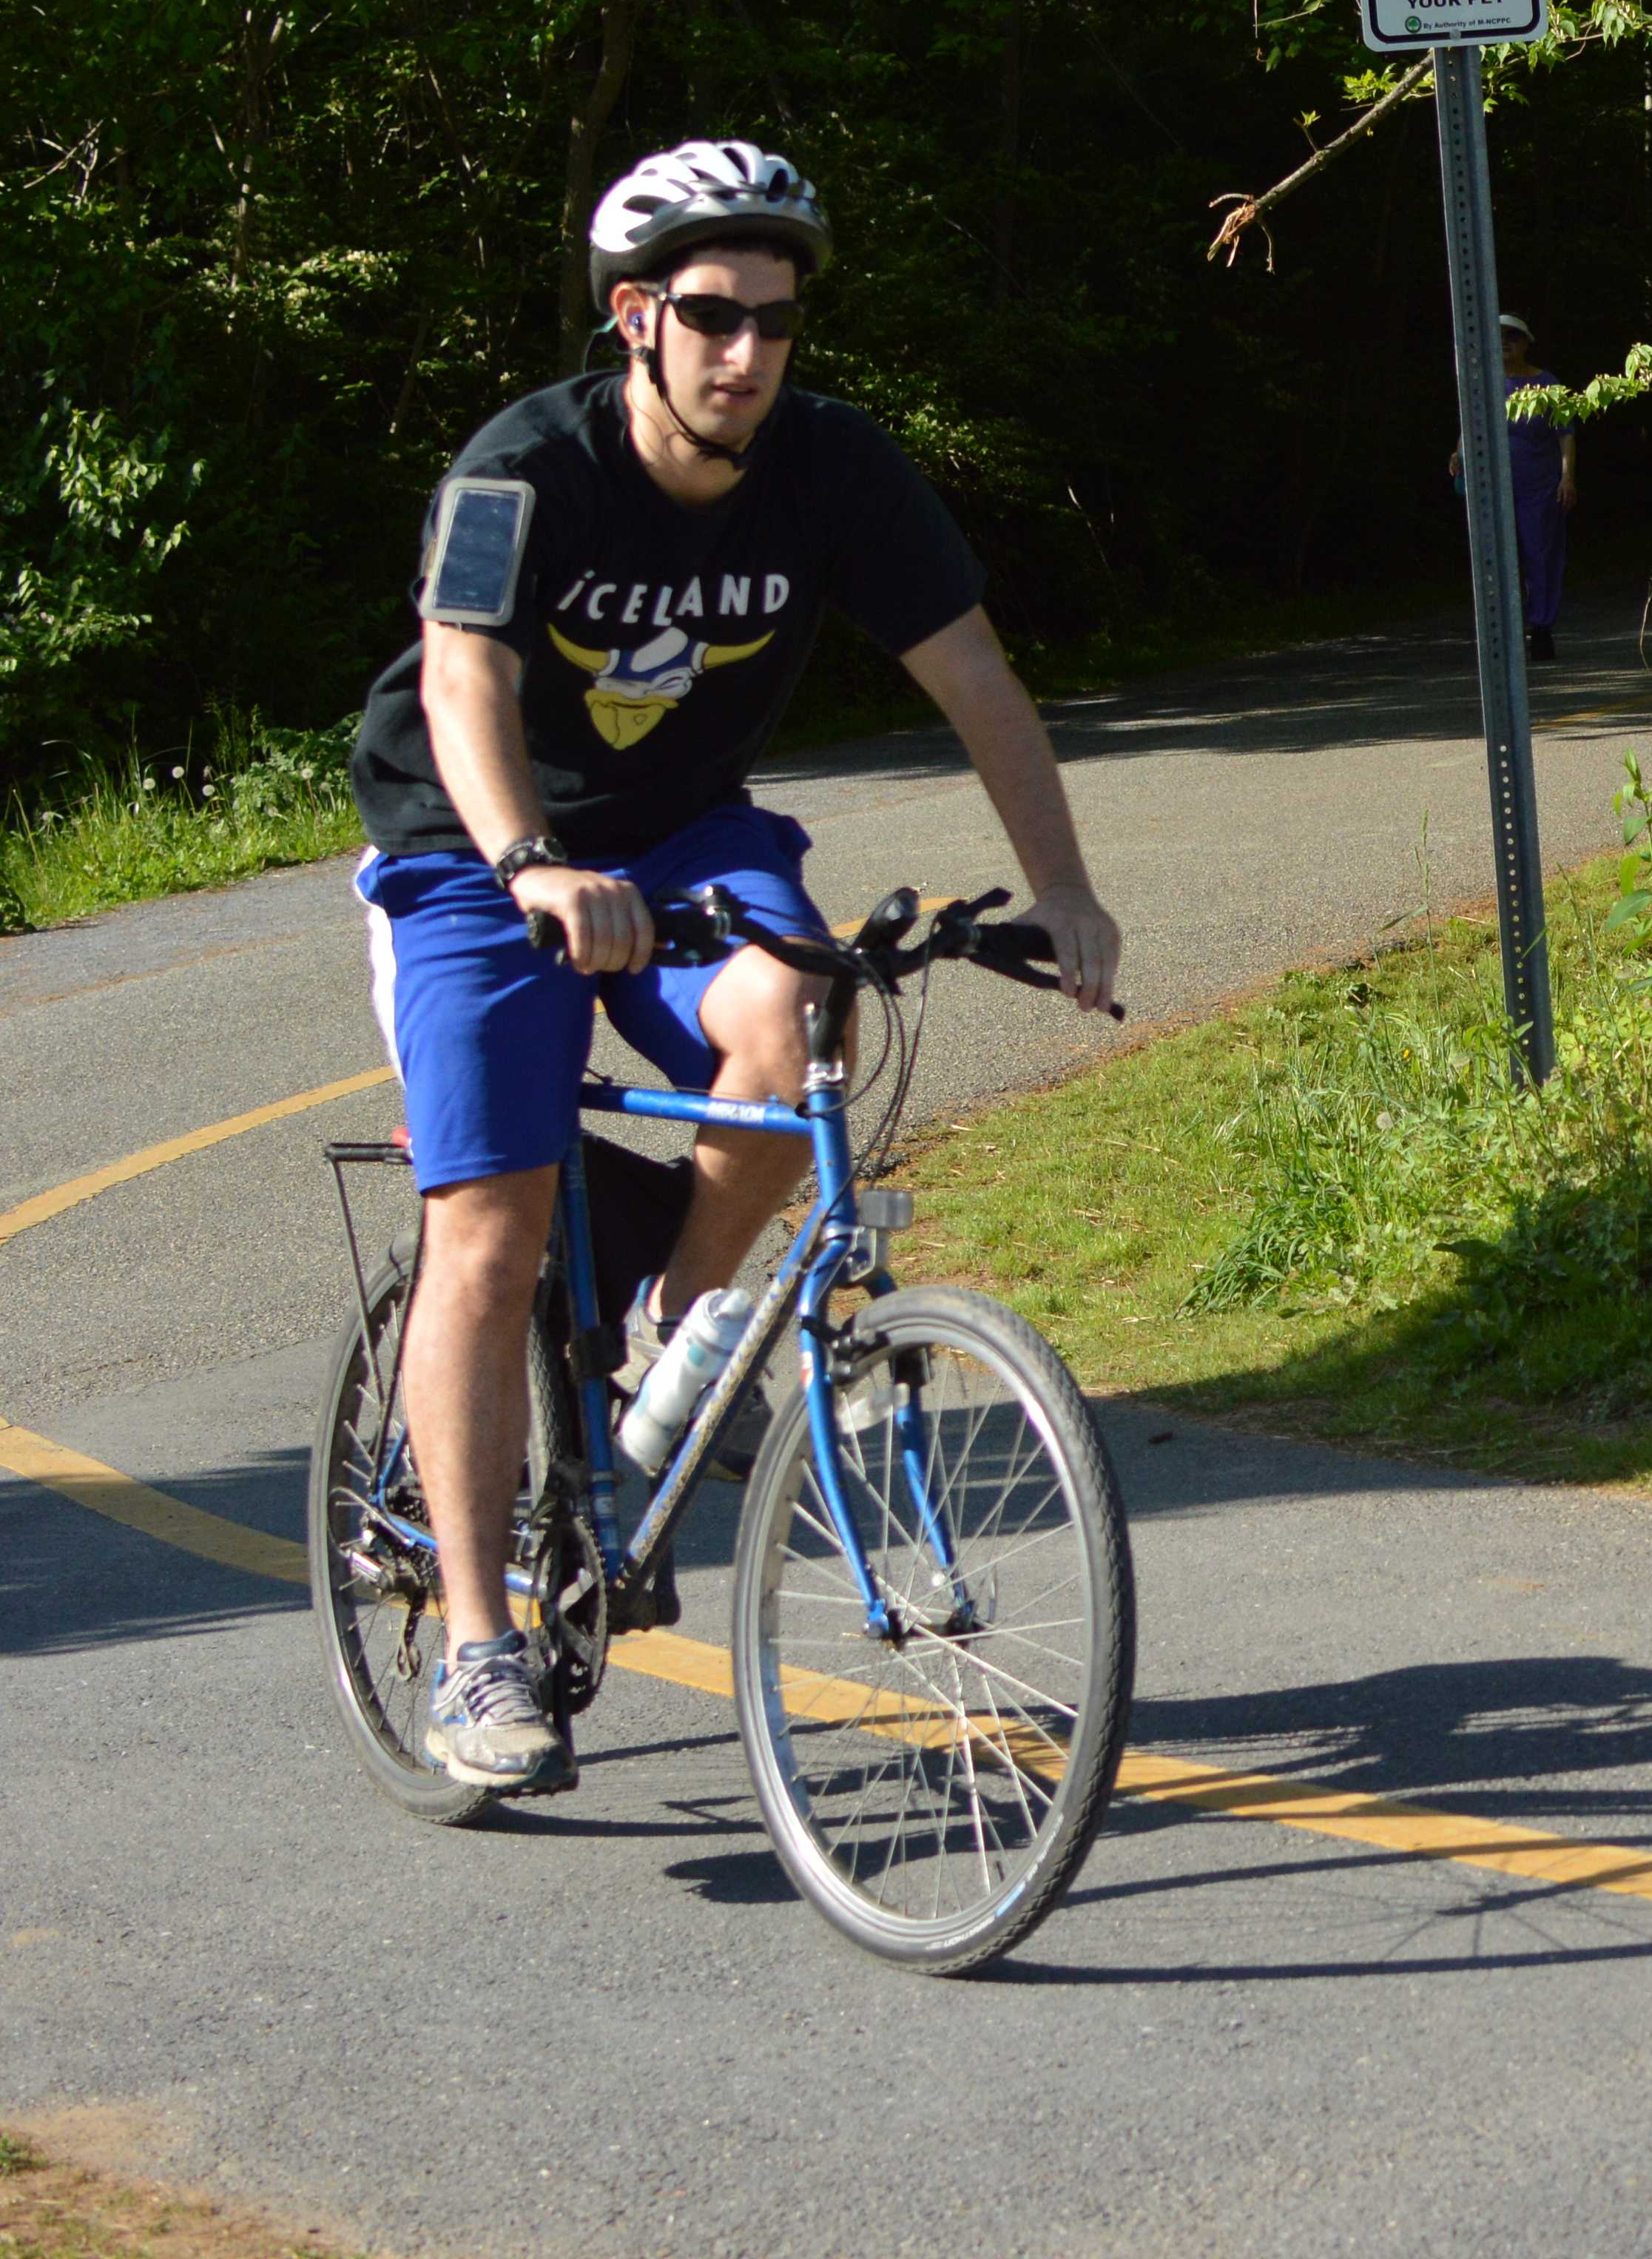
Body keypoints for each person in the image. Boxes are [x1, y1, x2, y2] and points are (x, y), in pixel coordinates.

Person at [346, 138, 1122, 1793]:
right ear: (636, 317)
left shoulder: (834, 469)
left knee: (800, 999)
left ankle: (678, 1319)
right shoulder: (521, 470)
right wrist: (525, 862)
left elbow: (973, 670)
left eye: (774, 322)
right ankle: (483, 1640)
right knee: (487, 1225)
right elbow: (465, 678)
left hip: (685, 832)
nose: (747, 354)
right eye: (711, 317)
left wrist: (1060, 887)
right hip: (473, 846)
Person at [1503, 313, 1577, 664]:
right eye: (1499, 338)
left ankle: (1541, 629)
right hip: (1497, 489)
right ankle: (1504, 633)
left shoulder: (1548, 384)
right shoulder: (1482, 383)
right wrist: (1458, 452)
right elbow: (1469, 428)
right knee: (1500, 561)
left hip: (1540, 487)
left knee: (1541, 556)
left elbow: (1565, 434)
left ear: (1527, 343)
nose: (1506, 344)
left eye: (1513, 338)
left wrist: (1567, 477)